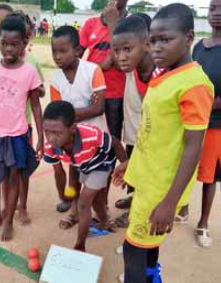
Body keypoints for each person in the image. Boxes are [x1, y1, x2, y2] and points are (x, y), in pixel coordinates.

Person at [112, 4, 214, 282]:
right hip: (148, 178)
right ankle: (150, 276)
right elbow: (154, 133)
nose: (156, 47)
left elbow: (193, 147)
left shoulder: (194, 84)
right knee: (147, 244)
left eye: (165, 40)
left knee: (133, 248)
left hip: (162, 188)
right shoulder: (165, 74)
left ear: (189, 38)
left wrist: (170, 202)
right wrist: (131, 162)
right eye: (153, 40)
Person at [0, 16, 44, 241]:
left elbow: (35, 104)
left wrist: (41, 137)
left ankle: (8, 221)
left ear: (23, 44)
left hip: (17, 133)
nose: (8, 48)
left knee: (14, 178)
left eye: (14, 44)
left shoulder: (29, 71)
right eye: (4, 43)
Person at [44, 101, 127, 252]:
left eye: (57, 133)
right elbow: (58, 172)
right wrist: (62, 195)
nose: (51, 138)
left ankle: (80, 244)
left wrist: (126, 165)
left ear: (72, 129)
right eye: (47, 132)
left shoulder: (91, 135)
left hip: (101, 164)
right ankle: (105, 221)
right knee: (95, 201)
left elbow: (114, 143)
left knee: (84, 202)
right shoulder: (50, 147)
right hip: (82, 164)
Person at [50, 26, 109, 227]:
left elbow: (99, 108)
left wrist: (69, 113)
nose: (57, 56)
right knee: (74, 178)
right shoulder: (56, 79)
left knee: (99, 179)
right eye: (54, 51)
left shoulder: (92, 70)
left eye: (62, 51)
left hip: (96, 137)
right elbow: (57, 114)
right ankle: (74, 211)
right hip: (73, 140)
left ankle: (103, 213)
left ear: (77, 50)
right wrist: (87, 108)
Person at [177, 0, 221, 247]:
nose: (217, 14)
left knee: (210, 175)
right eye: (213, 8)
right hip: (193, 119)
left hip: (215, 123)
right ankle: (182, 208)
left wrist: (207, 103)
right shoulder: (199, 48)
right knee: (186, 164)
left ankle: (203, 223)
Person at [79, 0, 128, 206]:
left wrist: (112, 24)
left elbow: (119, 60)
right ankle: (80, 199)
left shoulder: (130, 24)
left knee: (109, 149)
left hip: (115, 98)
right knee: (86, 145)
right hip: (91, 96)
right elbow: (76, 59)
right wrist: (99, 67)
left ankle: (102, 203)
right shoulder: (90, 24)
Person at [111, 14, 154, 228]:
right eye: (117, 51)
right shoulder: (134, 68)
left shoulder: (159, 75)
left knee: (145, 175)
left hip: (152, 142)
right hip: (136, 135)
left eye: (127, 50)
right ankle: (134, 199)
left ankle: (137, 211)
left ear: (146, 44)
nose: (121, 57)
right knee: (134, 172)